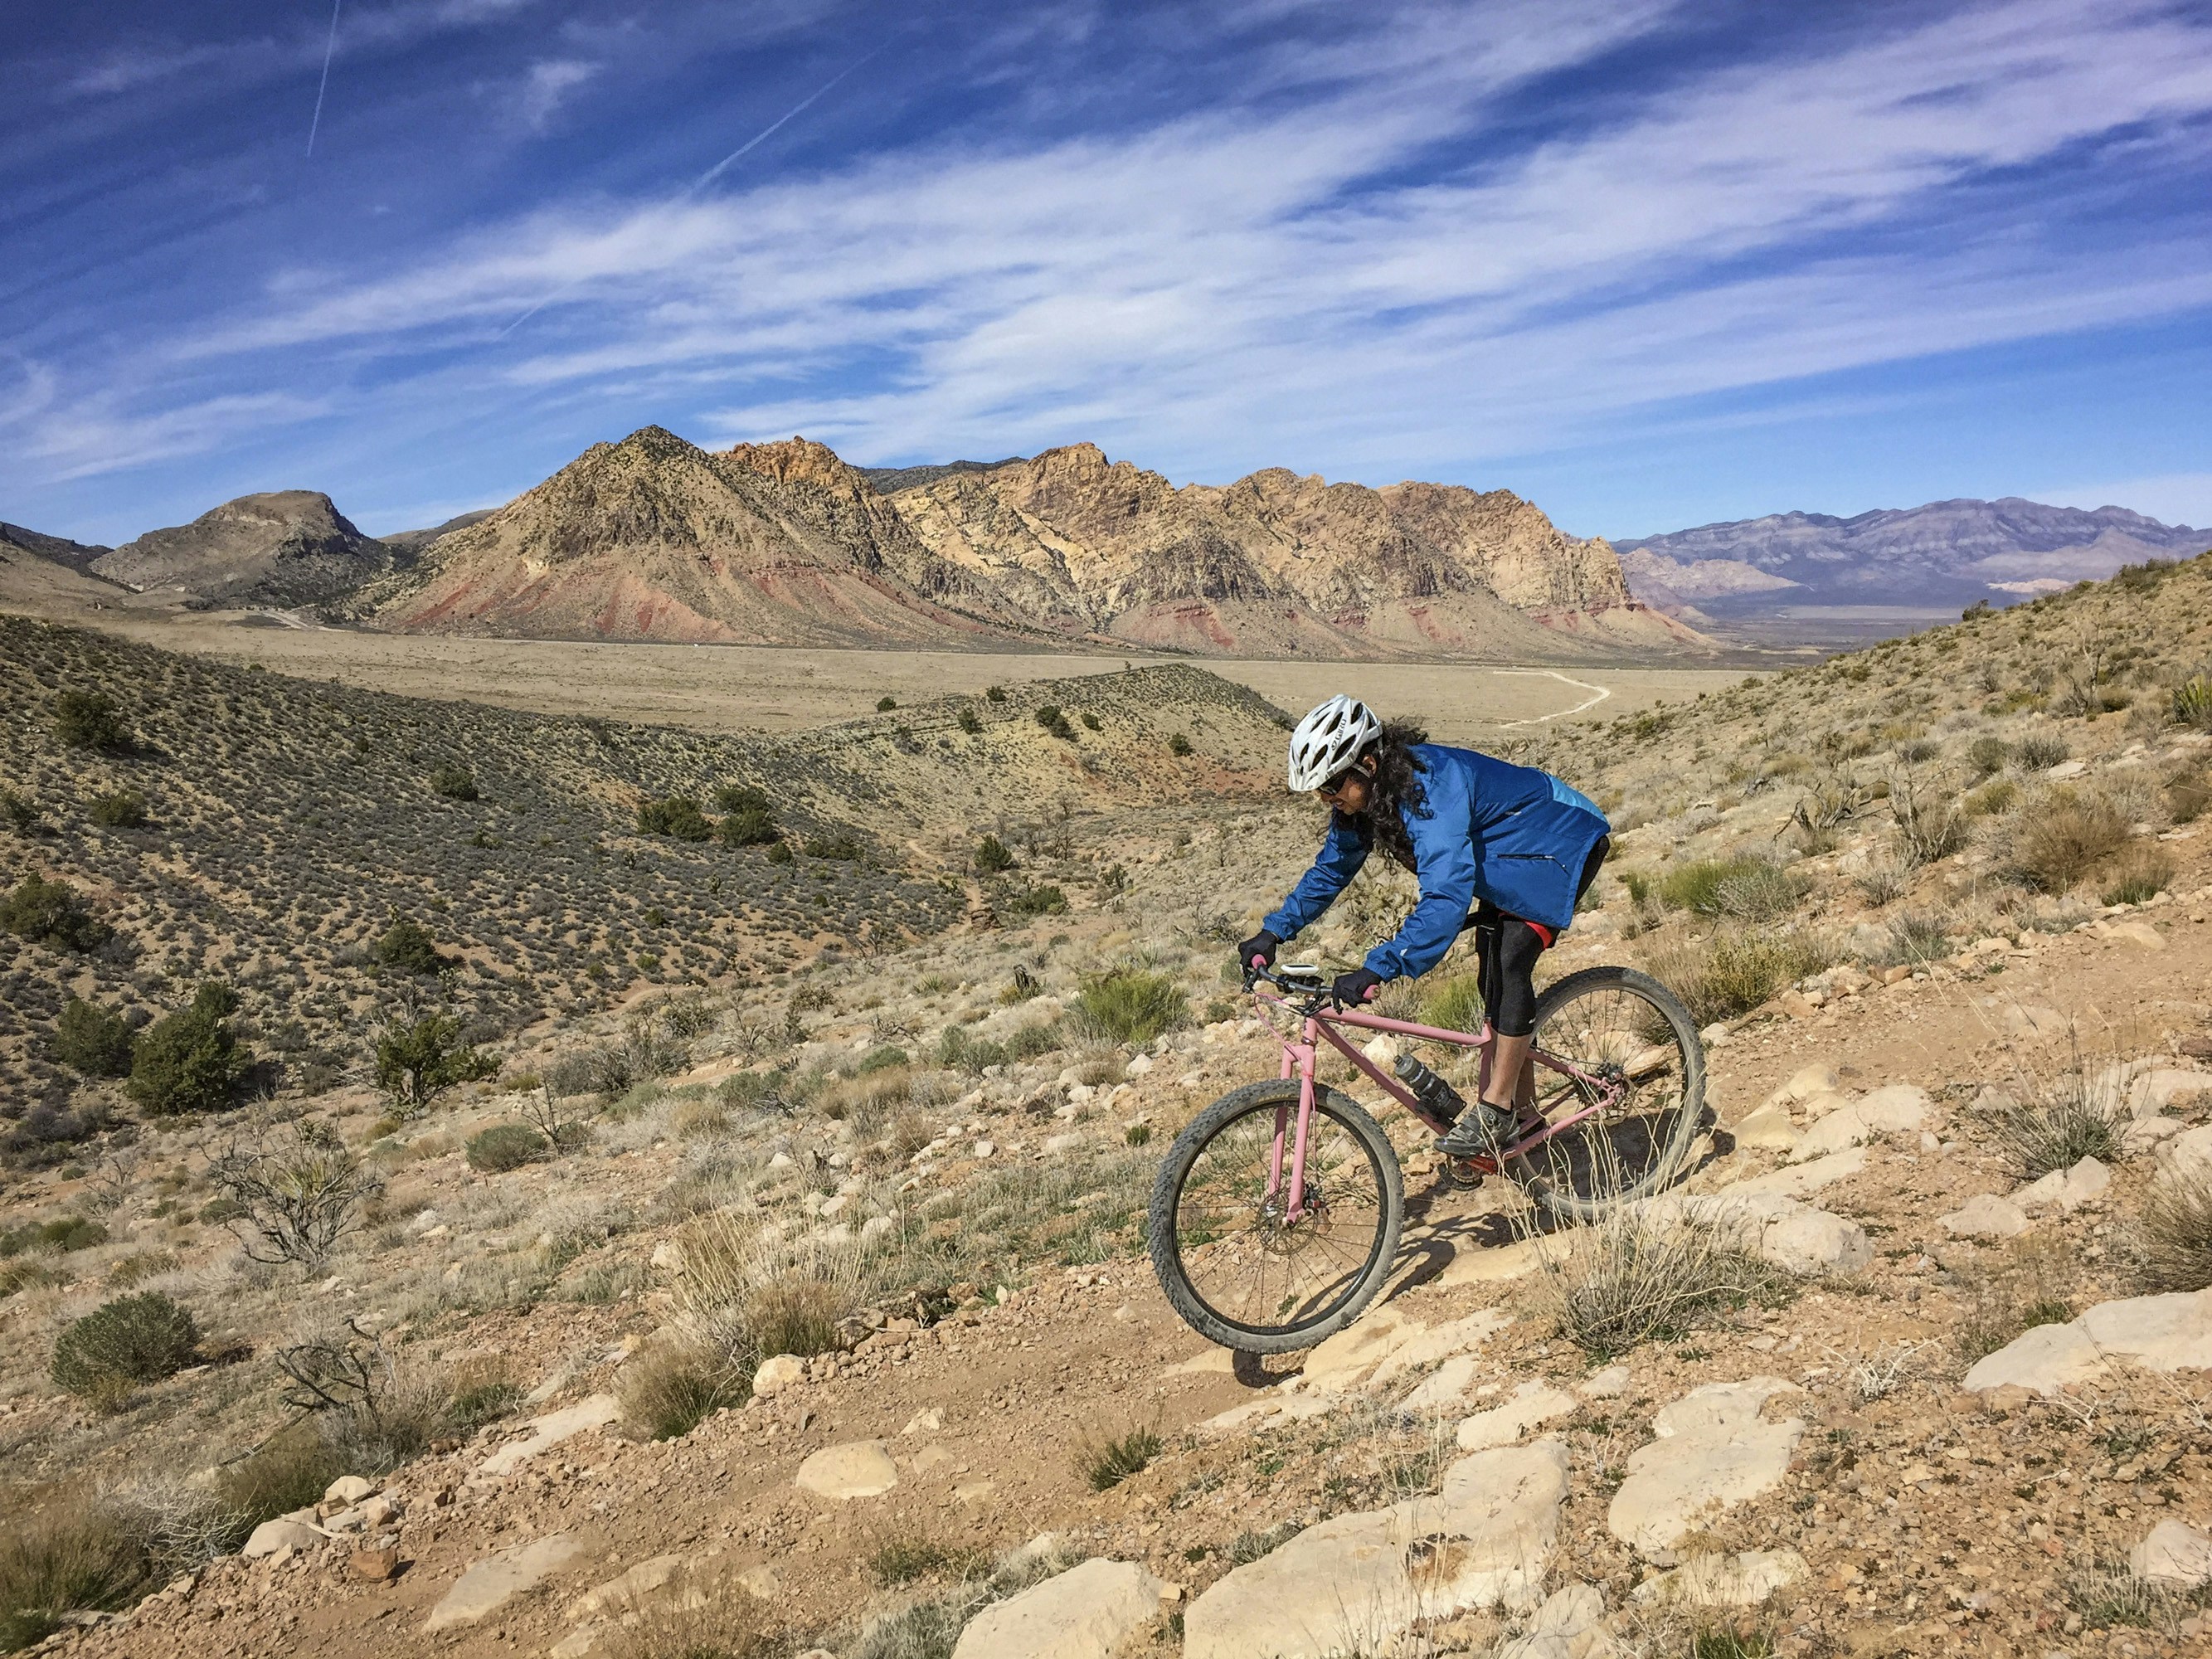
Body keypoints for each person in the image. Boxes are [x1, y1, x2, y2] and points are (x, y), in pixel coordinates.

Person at [1236, 694, 1611, 1155]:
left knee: (1512, 956)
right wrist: (1274, 931)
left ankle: (1497, 1108)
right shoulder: (1365, 802)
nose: (1327, 799)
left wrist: (1381, 966)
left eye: (1332, 785)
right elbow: (1332, 870)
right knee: (1490, 972)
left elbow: (1447, 895)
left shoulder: (1432, 787)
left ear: (1368, 764)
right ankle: (1523, 1112)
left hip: (1559, 838)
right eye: (1320, 791)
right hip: (1502, 857)